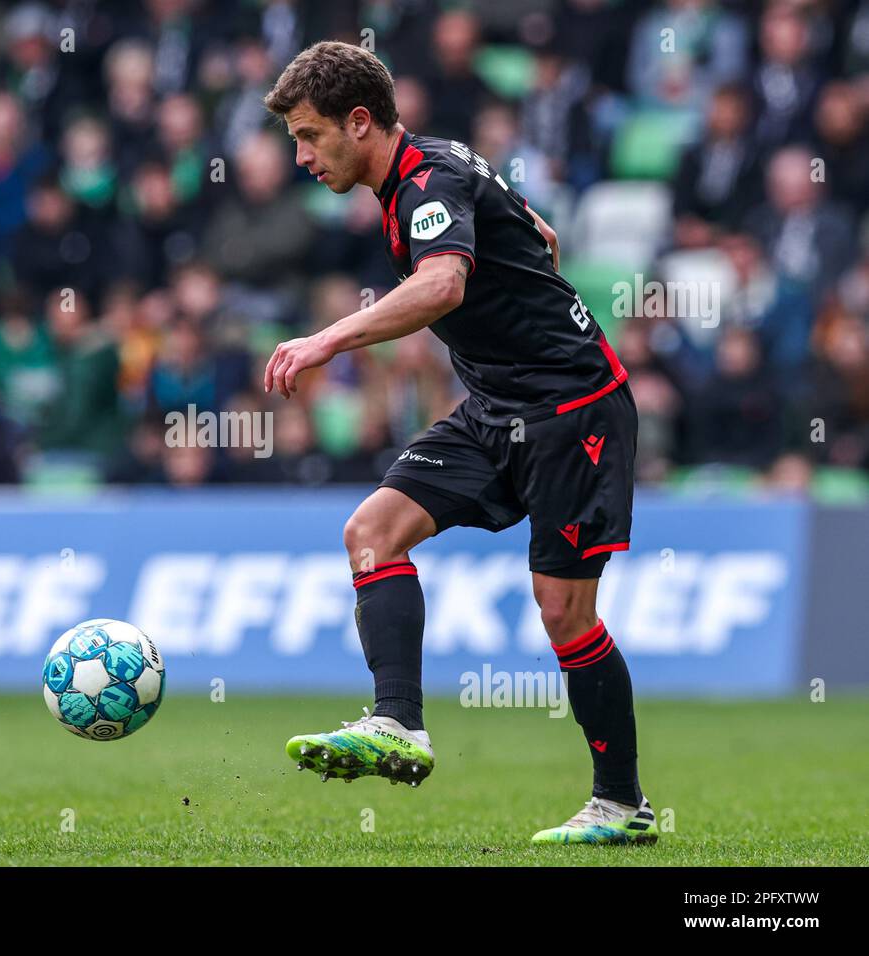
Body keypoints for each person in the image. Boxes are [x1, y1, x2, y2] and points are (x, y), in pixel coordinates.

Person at [261, 42, 656, 846]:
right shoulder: (428, 168)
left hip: (573, 409)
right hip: (495, 406)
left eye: (309, 136)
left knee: (564, 614)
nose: (300, 157)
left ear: (360, 121)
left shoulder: (428, 180)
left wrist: (325, 341)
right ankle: (397, 724)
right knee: (372, 531)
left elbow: (444, 283)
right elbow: (534, 229)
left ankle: (622, 807)